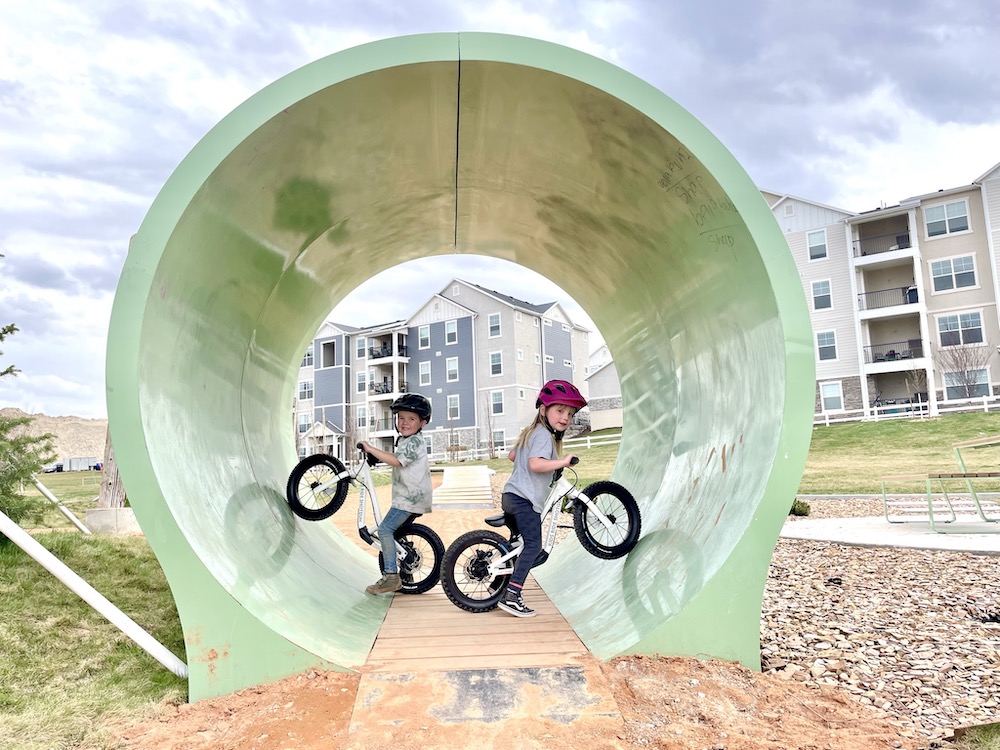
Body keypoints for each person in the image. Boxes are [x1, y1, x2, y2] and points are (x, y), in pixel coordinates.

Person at [498, 379, 587, 617]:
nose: (565, 417)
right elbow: (536, 464)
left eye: (570, 413)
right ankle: (512, 595)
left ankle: (500, 584)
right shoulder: (543, 436)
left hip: (512, 495)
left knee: (518, 546)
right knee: (534, 545)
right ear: (543, 410)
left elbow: (512, 455)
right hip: (523, 499)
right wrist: (563, 462)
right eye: (560, 410)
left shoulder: (532, 433)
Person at [358, 392, 433, 596]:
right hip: (411, 496)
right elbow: (397, 458)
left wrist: (371, 449)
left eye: (411, 419)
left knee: (385, 530)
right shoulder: (407, 441)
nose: (404, 422)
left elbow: (398, 461)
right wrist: (377, 458)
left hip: (410, 499)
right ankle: (405, 572)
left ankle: (391, 576)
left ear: (422, 422)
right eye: (400, 417)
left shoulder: (413, 442)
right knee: (396, 532)